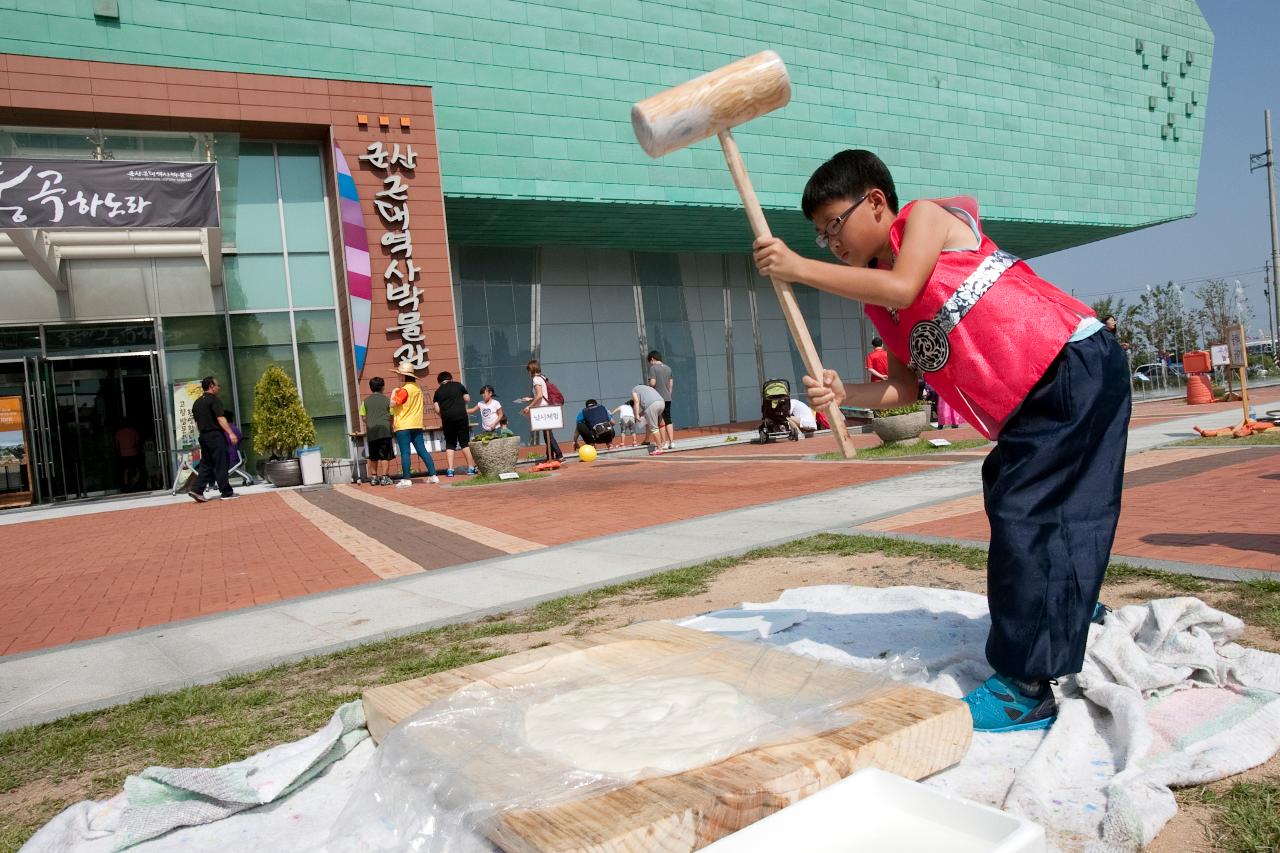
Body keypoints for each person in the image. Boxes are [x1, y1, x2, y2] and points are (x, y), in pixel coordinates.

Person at [752, 149, 1130, 733]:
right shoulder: (878, 302)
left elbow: (908, 286)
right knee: (1016, 494)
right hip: (1029, 402)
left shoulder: (928, 218)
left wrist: (797, 268)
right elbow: (902, 391)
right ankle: (1064, 609)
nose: (830, 243)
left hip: (1068, 361)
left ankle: (1027, 685)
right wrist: (841, 391)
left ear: (876, 202)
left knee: (1032, 509)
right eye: (820, 237)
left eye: (834, 226)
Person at [189, 375, 239, 502]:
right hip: (215, 435)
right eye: (218, 385)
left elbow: (197, 423)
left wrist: (203, 435)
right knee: (221, 463)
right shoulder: (214, 400)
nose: (219, 388)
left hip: (204, 436)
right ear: (211, 386)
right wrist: (230, 433)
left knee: (207, 464)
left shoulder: (197, 403)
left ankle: (196, 489)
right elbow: (220, 418)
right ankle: (226, 492)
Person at [390, 360, 439, 487]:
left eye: (399, 374)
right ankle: (433, 475)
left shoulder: (404, 390)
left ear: (402, 375)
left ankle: (406, 479)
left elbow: (392, 404)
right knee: (422, 450)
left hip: (403, 425)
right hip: (416, 424)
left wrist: (393, 392)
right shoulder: (418, 389)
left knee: (405, 452)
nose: (398, 376)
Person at [432, 371, 477, 477]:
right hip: (461, 416)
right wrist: (459, 403)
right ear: (451, 379)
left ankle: (450, 470)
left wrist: (444, 414)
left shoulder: (438, 392)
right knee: (464, 442)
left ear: (440, 382)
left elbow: (437, 409)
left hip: (447, 418)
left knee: (450, 443)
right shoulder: (458, 385)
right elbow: (467, 399)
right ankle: (471, 468)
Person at [520, 359, 564, 462]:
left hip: (542, 409)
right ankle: (550, 456)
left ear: (531, 369)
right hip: (546, 407)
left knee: (548, 434)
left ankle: (559, 455)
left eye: (528, 370)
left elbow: (539, 395)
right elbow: (543, 395)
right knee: (547, 434)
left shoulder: (536, 379)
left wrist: (529, 406)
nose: (528, 373)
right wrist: (530, 399)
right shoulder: (542, 377)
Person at [360, 377, 395, 485]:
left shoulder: (365, 401)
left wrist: (371, 423)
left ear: (371, 388)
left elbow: (363, 417)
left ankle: (374, 478)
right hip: (385, 430)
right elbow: (392, 415)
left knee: (373, 455)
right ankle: (385, 477)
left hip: (372, 431)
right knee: (385, 455)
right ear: (382, 387)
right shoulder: (387, 400)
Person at [646, 351, 676, 450]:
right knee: (669, 419)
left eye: (650, 361)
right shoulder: (668, 368)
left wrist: (649, 382)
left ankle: (664, 442)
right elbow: (671, 384)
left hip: (657, 398)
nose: (651, 363)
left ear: (652, 359)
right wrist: (668, 394)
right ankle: (672, 442)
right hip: (667, 397)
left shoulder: (653, 368)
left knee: (661, 421)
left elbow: (653, 383)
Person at [630, 382, 666, 455]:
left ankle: (659, 449)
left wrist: (636, 415)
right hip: (662, 403)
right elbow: (648, 408)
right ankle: (647, 440)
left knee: (654, 428)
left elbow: (636, 402)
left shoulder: (634, 390)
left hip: (651, 405)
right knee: (651, 423)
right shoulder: (647, 388)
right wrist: (640, 414)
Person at [114, 421, 143, 491]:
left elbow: (116, 445)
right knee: (135, 469)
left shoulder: (119, 433)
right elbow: (137, 442)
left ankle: (126, 485)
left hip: (123, 454)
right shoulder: (133, 431)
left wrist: (119, 452)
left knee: (125, 470)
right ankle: (135, 483)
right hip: (133, 453)